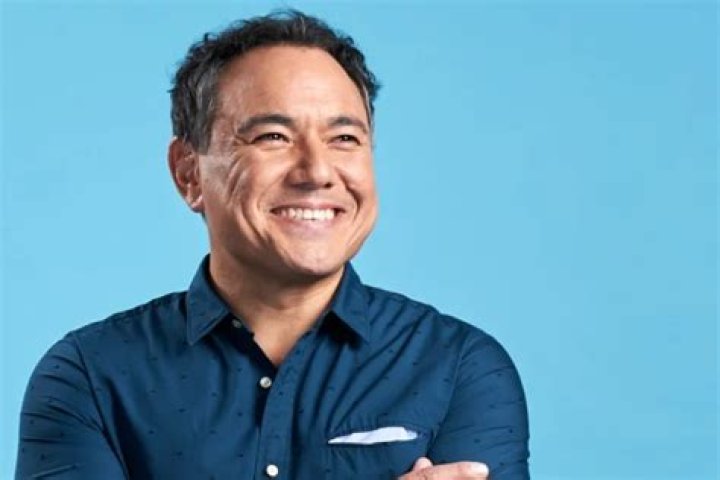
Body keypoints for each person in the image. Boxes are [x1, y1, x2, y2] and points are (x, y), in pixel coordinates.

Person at [16, 10, 529, 480]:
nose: (317, 171)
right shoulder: (90, 377)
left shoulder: (460, 368)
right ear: (189, 173)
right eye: (273, 137)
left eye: (344, 139)